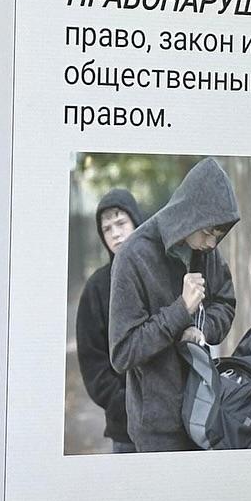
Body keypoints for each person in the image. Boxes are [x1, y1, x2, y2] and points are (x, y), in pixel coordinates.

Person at [109, 157, 239, 452]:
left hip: (205, 412)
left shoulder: (206, 249)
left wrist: (201, 328)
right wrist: (180, 311)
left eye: (218, 236)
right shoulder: (132, 257)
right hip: (157, 430)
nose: (212, 244)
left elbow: (225, 303)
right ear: (189, 215)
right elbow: (123, 352)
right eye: (208, 232)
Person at [74, 188, 145, 453]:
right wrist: (123, 403)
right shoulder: (96, 288)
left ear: (136, 222)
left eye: (121, 223)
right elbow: (92, 361)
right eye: (107, 228)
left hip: (173, 423)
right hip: (125, 429)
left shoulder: (160, 272)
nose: (115, 233)